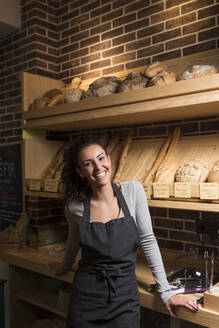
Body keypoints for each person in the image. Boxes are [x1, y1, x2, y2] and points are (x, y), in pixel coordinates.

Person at [49, 135, 199, 327]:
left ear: (109, 160)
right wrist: (65, 266)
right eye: (88, 163)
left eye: (101, 158)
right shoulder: (74, 206)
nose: (98, 167)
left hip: (124, 296)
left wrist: (165, 292)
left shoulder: (133, 191)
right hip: (86, 296)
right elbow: (73, 240)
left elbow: (148, 240)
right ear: (80, 171)